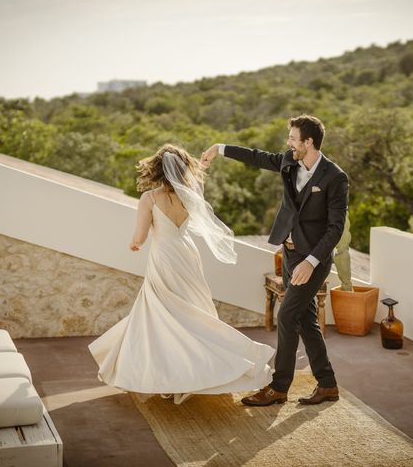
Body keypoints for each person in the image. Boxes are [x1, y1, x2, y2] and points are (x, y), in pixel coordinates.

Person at [88, 144, 275, 404]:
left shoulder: (150, 198)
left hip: (164, 256)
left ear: (157, 169)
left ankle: (170, 375)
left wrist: (134, 243)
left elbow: (140, 237)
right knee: (193, 310)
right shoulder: (192, 195)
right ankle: (200, 370)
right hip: (187, 255)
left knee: (162, 314)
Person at [201, 114, 348, 406]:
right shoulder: (289, 161)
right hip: (291, 253)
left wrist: (312, 262)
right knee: (305, 320)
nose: (289, 142)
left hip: (313, 261)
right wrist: (220, 148)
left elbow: (335, 228)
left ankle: (279, 387)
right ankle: (328, 384)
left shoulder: (334, 177)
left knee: (287, 316)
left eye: (293, 138)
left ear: (309, 142)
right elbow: (257, 157)